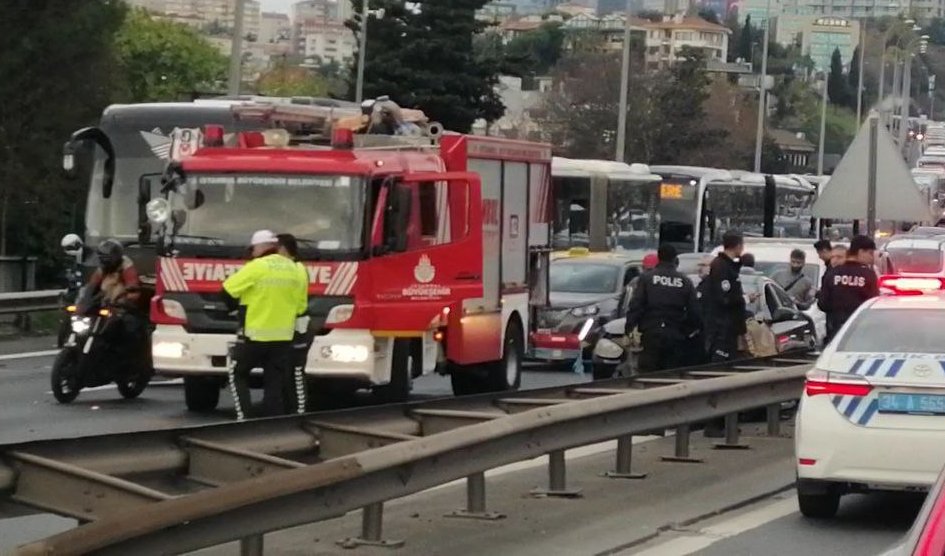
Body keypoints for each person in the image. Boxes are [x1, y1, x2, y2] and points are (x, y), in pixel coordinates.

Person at [222, 230, 309, 420]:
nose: (251, 253)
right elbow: (301, 305)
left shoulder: (257, 266)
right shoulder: (295, 269)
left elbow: (227, 290)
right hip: (283, 337)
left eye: (253, 249)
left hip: (255, 335)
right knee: (274, 382)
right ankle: (273, 422)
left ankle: (243, 418)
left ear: (261, 247)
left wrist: (234, 310)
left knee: (237, 373)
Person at [625, 244, 701, 373]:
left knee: (648, 373)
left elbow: (636, 306)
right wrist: (686, 331)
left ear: (659, 258)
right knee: (670, 375)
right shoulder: (685, 281)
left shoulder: (647, 279)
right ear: (675, 259)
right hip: (675, 335)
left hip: (651, 333)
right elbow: (695, 312)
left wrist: (629, 328)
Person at [81, 239, 148, 364]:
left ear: (115, 257)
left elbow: (133, 285)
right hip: (105, 303)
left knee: (128, 327)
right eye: (102, 258)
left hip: (121, 306)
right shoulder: (103, 268)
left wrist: (127, 299)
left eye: (107, 258)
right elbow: (92, 284)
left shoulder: (126, 266)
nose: (104, 261)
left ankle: (128, 360)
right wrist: (85, 300)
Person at [817, 235, 879, 345]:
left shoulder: (832, 273)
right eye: (870, 253)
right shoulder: (868, 275)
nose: (872, 258)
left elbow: (822, 304)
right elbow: (873, 304)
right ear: (860, 252)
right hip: (860, 332)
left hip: (835, 331)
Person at [277, 233, 312, 414]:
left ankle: (299, 410)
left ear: (283, 249)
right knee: (288, 371)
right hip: (291, 325)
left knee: (296, 372)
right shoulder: (296, 268)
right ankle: (291, 409)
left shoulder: (295, 269)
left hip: (298, 326)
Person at [704, 231, 749, 363]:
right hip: (722, 328)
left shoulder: (729, 266)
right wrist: (744, 299)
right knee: (721, 364)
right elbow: (724, 297)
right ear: (738, 245)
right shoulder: (721, 266)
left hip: (730, 327)